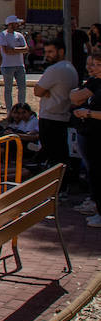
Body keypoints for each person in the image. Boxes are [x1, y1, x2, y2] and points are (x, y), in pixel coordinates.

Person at [33, 37, 78, 187]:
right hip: (61, 117)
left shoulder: (56, 69)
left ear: (61, 51)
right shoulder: (70, 67)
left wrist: (46, 91)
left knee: (54, 157)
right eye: (46, 52)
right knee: (59, 155)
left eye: (51, 51)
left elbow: (38, 91)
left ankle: (54, 188)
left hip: (51, 118)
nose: (48, 55)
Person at [68, 52, 101, 227]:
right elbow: (75, 96)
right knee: (94, 173)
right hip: (90, 134)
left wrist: (88, 113)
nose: (92, 68)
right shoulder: (94, 82)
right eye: (91, 64)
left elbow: (77, 97)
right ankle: (97, 208)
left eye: (97, 65)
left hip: (97, 135)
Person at [0, 15, 30, 113]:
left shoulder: (19, 35)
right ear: (11, 24)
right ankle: (9, 110)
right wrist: (18, 50)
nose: (18, 25)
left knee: (22, 87)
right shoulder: (2, 35)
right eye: (16, 23)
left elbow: (26, 49)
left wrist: (13, 50)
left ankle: (21, 108)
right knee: (8, 89)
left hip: (20, 65)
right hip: (7, 65)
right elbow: (6, 51)